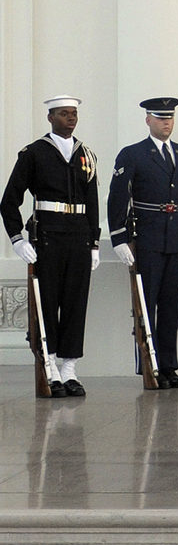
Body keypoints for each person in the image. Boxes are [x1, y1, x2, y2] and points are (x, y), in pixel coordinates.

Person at [1, 95, 100, 397]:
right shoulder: (34, 153)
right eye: (63, 114)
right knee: (47, 302)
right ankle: (49, 365)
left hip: (78, 236)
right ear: (50, 118)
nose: (70, 118)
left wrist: (94, 242)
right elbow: (9, 201)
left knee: (74, 303)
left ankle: (69, 368)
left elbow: (93, 202)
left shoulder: (86, 154)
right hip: (48, 236)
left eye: (73, 114)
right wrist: (17, 239)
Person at [108, 97, 178, 389]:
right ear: (148, 120)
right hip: (147, 238)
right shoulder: (133, 154)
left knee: (172, 305)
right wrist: (119, 237)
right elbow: (117, 198)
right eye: (161, 118)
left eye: (170, 118)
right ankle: (148, 364)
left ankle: (169, 366)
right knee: (146, 305)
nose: (166, 123)